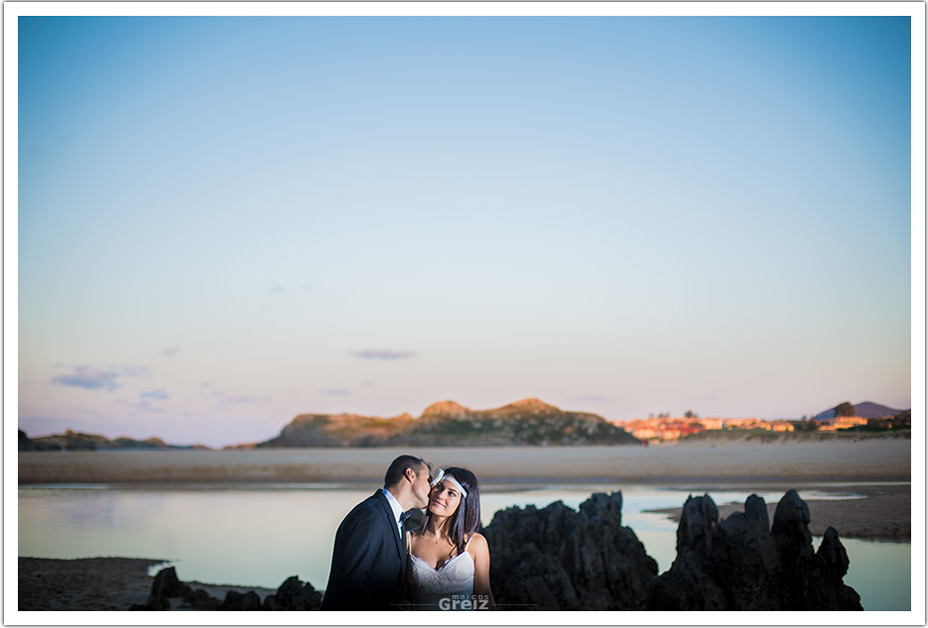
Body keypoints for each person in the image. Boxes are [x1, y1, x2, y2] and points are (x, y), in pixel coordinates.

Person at [321, 455, 431, 610]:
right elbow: (350, 585)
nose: (432, 488)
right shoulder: (369, 516)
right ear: (410, 475)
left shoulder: (397, 521)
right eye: (428, 480)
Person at [405, 466, 496, 610]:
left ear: (463, 502)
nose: (441, 495)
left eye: (451, 493)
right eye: (439, 487)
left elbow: (483, 597)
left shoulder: (475, 543)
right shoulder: (409, 540)